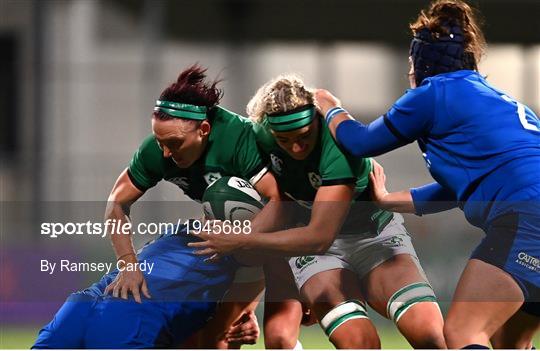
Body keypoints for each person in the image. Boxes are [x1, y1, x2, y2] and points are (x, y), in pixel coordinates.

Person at [312, 1, 540, 348]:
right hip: (530, 214)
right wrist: (389, 200)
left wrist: (329, 105)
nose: (409, 72)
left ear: (423, 62)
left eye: (411, 62)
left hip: (527, 220)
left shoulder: (434, 93)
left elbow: (360, 142)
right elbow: (455, 187)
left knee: (463, 334)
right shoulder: (495, 98)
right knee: (510, 342)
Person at [190, 75, 446, 348]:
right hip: (313, 252)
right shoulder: (259, 135)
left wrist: (241, 238)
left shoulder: (339, 147)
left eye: (303, 137)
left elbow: (319, 236)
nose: (296, 148)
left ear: (315, 121)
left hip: (371, 235)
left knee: (429, 335)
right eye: (285, 141)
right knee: (357, 343)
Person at [32, 222, 261, 349]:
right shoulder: (247, 261)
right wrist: (240, 315)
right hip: (131, 320)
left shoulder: (173, 232)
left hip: (82, 305)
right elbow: (213, 340)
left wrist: (244, 312)